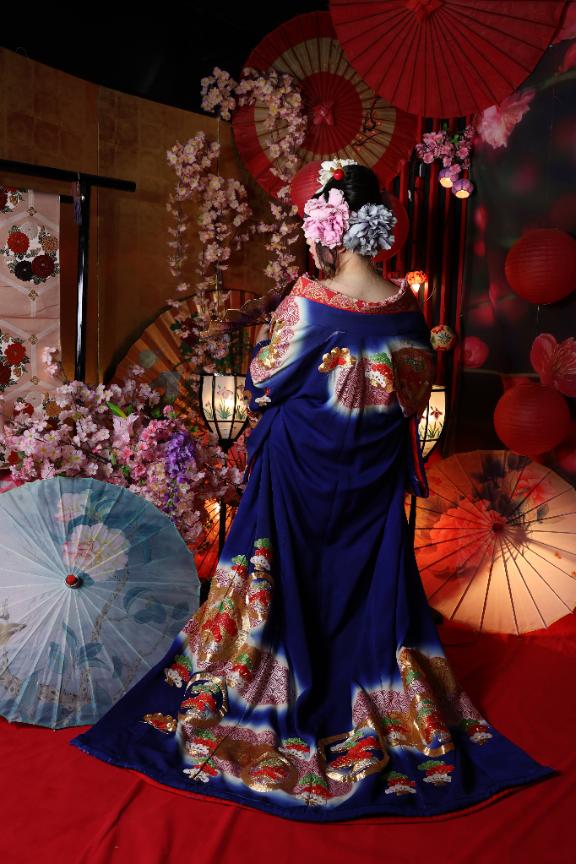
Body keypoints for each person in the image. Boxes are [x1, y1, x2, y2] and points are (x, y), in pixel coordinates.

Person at [72, 161, 556, 822]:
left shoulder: (308, 301)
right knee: (360, 578)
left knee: (286, 575)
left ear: (327, 229)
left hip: (300, 470)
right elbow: (414, 397)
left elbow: (263, 379)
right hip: (370, 476)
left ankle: (276, 683)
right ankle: (371, 689)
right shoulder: (406, 307)